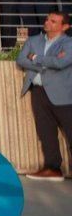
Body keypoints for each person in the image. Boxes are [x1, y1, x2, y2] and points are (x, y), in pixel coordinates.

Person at [15, 11, 72, 180]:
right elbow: (21, 60)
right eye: (48, 19)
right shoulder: (33, 40)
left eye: (53, 21)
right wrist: (47, 63)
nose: (48, 22)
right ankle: (53, 168)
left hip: (63, 93)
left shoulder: (69, 43)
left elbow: (61, 63)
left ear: (65, 26)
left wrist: (36, 58)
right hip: (38, 91)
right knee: (46, 132)